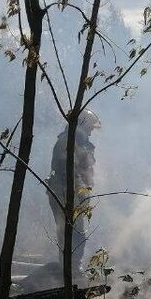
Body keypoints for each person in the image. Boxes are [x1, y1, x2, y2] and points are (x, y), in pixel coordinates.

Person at [47, 109, 101, 274]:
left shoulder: (81, 143)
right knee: (71, 233)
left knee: (75, 233)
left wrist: (85, 191)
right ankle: (69, 271)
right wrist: (80, 191)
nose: (92, 131)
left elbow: (85, 170)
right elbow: (67, 170)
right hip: (65, 192)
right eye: (90, 127)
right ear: (82, 124)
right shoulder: (67, 141)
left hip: (75, 193)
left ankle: (71, 269)